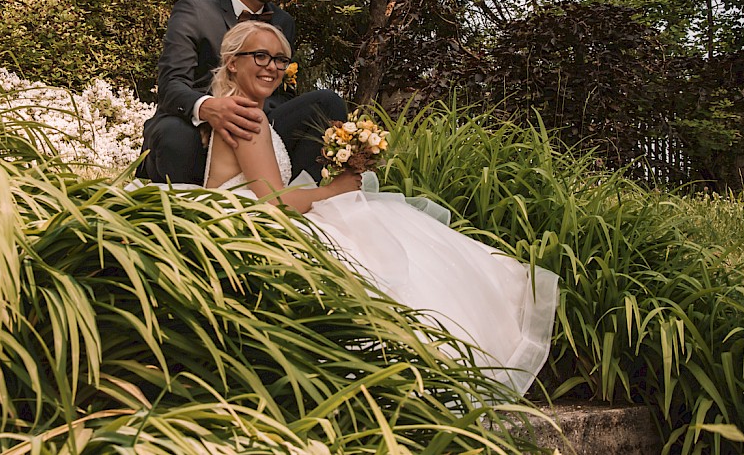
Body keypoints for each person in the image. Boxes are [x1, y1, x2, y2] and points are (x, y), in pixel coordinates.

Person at [204, 21, 560, 396]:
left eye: (279, 59)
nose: (272, 67)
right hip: (251, 226)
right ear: (231, 62)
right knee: (373, 235)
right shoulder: (248, 117)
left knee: (374, 225)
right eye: (260, 56)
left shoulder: (239, 112)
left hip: (242, 220)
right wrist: (335, 190)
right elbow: (273, 202)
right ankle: (445, 357)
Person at [138, 0, 346, 185]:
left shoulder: (284, 23)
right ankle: (186, 214)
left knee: (327, 103)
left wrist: (249, 113)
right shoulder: (193, 11)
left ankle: (296, 201)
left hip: (255, 123)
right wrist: (211, 108)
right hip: (193, 124)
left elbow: (281, 94)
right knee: (175, 136)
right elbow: (171, 85)